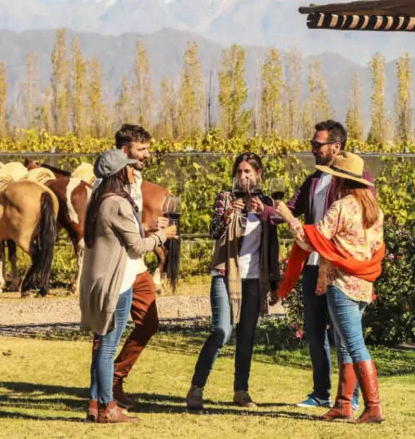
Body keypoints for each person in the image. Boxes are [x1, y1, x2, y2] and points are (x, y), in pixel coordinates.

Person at [275, 151, 385, 424]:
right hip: (363, 284)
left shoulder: (341, 207)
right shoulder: (373, 209)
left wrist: (289, 217)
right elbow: (373, 248)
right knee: (347, 346)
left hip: (341, 284)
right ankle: (343, 404)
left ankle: (373, 406)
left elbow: (311, 241)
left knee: (354, 345)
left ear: (340, 180)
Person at [80, 149, 177, 423]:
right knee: (108, 349)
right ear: (119, 172)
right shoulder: (118, 204)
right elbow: (137, 245)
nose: (134, 171)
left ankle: (98, 406)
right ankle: (107, 407)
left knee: (103, 346)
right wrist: (162, 236)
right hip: (118, 282)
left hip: (98, 280)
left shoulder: (98, 200)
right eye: (129, 168)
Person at [285, 120, 373, 410]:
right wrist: (270, 209)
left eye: (317, 144)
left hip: (340, 273)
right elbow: (294, 205)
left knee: (346, 337)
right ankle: (326, 394)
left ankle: (354, 400)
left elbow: (314, 236)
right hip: (318, 269)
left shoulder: (355, 187)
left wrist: (287, 219)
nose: (313, 149)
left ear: (336, 146)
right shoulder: (314, 180)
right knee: (316, 331)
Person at [185, 152, 280, 413]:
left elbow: (273, 244)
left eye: (248, 171)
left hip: (253, 278)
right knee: (221, 331)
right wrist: (228, 215)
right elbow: (214, 231)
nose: (243, 176)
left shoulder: (267, 202)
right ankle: (196, 388)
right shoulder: (225, 198)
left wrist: (274, 284)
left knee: (247, 336)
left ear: (258, 174)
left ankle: (241, 391)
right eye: (239, 172)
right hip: (225, 273)